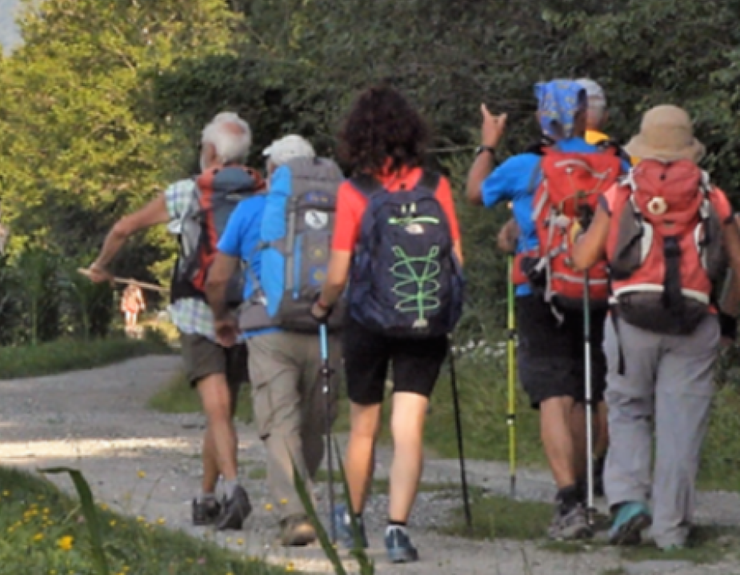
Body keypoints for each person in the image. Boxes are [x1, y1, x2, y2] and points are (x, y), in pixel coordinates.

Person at [571, 105, 740, 550]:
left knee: (628, 410)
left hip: (630, 321)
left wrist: (575, 235)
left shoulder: (621, 192)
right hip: (695, 319)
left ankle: (628, 502)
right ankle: (671, 531)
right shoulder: (712, 197)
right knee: (681, 427)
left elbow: (586, 259)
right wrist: (727, 317)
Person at [310, 85, 465, 564]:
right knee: (409, 426)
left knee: (363, 426)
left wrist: (321, 307)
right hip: (425, 316)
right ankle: (397, 530)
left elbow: (338, 274)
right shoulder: (435, 185)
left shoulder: (354, 191)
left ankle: (354, 522)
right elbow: (456, 258)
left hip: (369, 319)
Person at [85, 112, 260, 530]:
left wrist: (101, 265)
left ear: (211, 152)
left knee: (216, 410)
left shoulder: (188, 192)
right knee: (224, 409)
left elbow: (124, 228)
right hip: (247, 314)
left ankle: (233, 489)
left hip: (198, 312)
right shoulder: (264, 190)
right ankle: (205, 497)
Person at [464, 79, 618, 539]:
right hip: (604, 289)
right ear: (581, 116)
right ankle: (595, 481)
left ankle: (569, 500)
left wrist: (487, 144)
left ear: (541, 117)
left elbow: (475, 192)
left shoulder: (527, 165)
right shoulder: (614, 162)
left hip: (541, 290)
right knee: (595, 391)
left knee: (555, 392)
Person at [205, 133, 339, 547]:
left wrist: (222, 317)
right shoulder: (340, 208)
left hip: (268, 331)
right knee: (315, 423)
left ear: (272, 173)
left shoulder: (251, 210)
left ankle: (296, 514)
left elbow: (218, 277)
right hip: (326, 327)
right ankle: (302, 494)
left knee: (281, 423)